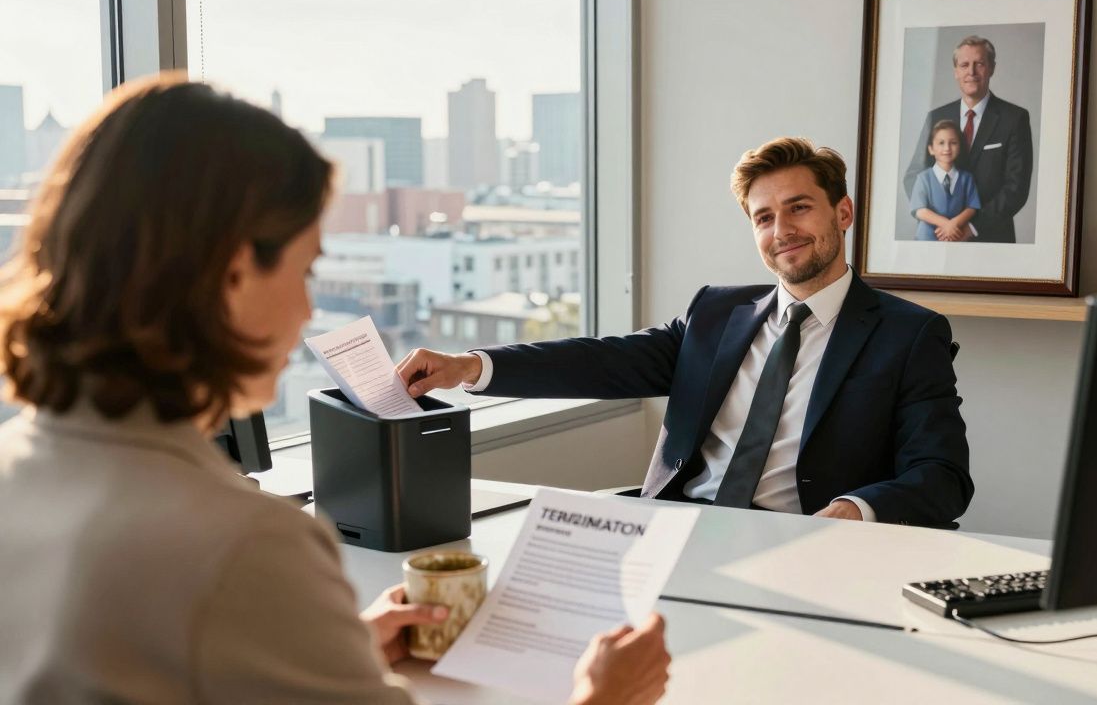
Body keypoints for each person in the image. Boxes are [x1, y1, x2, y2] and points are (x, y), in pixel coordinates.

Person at [0, 75, 669, 704]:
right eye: (305, 269)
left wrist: (322, 653)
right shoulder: (246, 545)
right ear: (234, 275)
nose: (306, 308)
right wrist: (602, 697)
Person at [400, 137, 972, 527]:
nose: (782, 231)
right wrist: (468, 367)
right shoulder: (717, 313)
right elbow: (600, 361)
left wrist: (855, 509)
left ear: (842, 213)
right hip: (677, 529)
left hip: (802, 543)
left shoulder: (908, 334)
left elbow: (942, 476)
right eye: (764, 217)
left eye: (800, 208)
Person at [902, 35, 1033, 244]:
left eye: (979, 64)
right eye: (964, 65)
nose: (971, 72)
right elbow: (913, 175)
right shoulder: (935, 116)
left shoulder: (1014, 118)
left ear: (991, 68)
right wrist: (940, 222)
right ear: (956, 71)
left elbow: (1016, 188)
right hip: (937, 238)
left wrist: (972, 227)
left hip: (992, 240)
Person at [908, 120, 980, 242]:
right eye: (941, 143)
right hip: (926, 239)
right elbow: (920, 210)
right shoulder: (923, 178)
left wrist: (953, 224)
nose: (947, 148)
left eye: (953, 143)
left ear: (960, 147)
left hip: (956, 236)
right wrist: (945, 224)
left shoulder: (966, 178)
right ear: (931, 149)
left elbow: (972, 207)